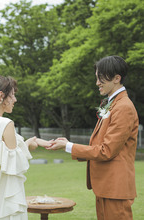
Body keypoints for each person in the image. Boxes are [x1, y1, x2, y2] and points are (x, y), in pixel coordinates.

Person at [47, 55, 139, 220]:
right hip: (106, 186)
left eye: (101, 78)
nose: (97, 83)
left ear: (117, 78)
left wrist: (68, 147)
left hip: (115, 187)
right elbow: (99, 143)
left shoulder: (124, 107)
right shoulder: (113, 103)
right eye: (97, 78)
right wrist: (68, 144)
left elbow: (106, 150)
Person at [0, 75, 52, 220]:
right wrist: (31, 144)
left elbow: (5, 157)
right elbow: (15, 164)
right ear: (1, 96)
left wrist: (32, 142)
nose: (15, 100)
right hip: (4, 199)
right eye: (12, 95)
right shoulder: (6, 124)